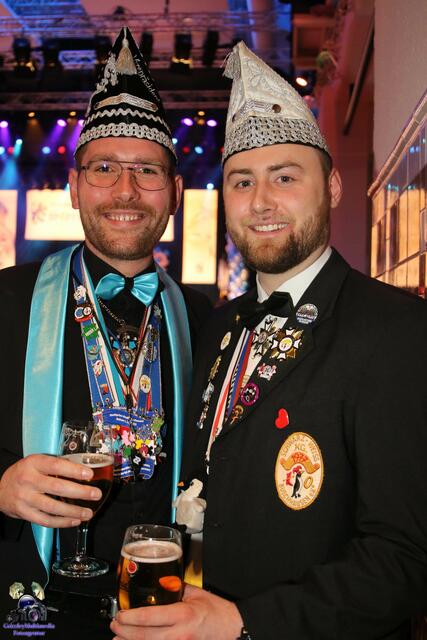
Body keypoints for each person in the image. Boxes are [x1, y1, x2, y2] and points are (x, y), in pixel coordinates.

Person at [110, 42, 427, 640]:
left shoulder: (397, 332)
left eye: (284, 177)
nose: (260, 203)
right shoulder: (216, 325)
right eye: (242, 182)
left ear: (332, 186)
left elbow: (405, 557)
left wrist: (243, 622)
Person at [0, 27, 211, 638]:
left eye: (147, 170)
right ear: (73, 187)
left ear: (175, 193)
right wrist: (0, 485)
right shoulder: (6, 301)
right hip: (28, 608)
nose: (126, 190)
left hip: (164, 604)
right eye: (104, 168)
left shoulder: (205, 319)